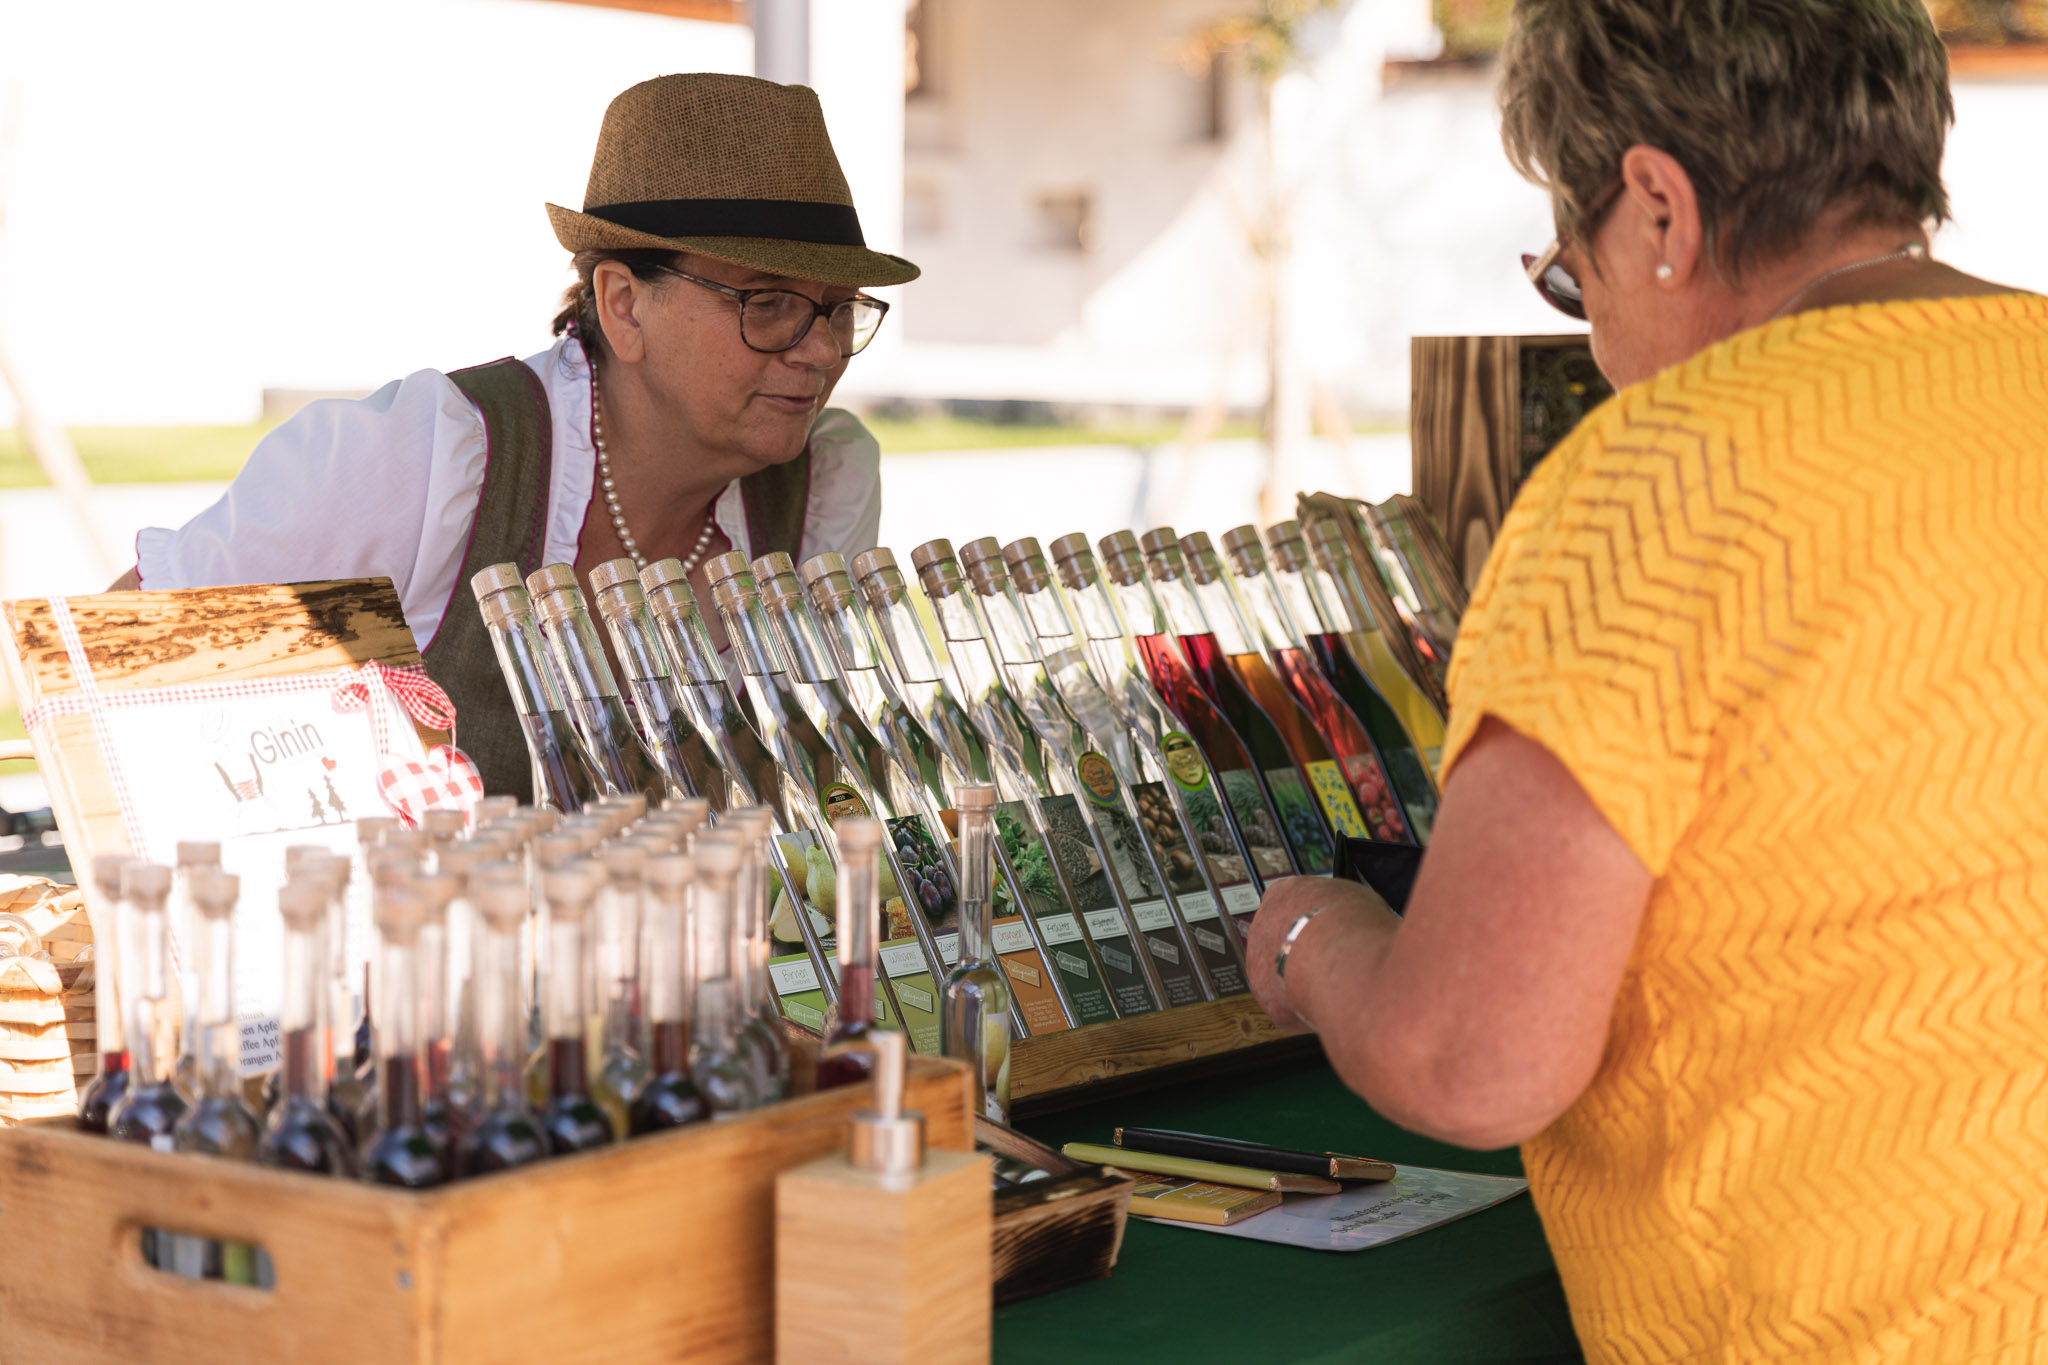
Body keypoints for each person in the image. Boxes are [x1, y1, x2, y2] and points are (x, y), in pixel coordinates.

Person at [1247, 2, 2048, 1360]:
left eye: (1573, 279)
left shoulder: (1662, 478)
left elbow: (1470, 1059)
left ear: (1661, 209)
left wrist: (1315, 947)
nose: (1599, 342)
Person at [121, 74, 918, 800]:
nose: (820, 349)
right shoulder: (430, 455)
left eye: (838, 307)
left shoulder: (822, 485)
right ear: (624, 306)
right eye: (769, 303)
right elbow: (127, 658)